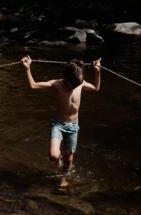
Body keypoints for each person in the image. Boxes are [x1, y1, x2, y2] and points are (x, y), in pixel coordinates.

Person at [21, 55, 101, 187]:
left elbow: (96, 88)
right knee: (53, 155)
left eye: (77, 84)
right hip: (58, 124)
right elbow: (33, 85)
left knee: (68, 160)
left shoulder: (80, 84)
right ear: (65, 78)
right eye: (72, 84)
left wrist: (97, 71)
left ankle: (62, 178)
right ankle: (58, 164)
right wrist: (27, 68)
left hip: (73, 126)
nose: (74, 87)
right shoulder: (57, 84)